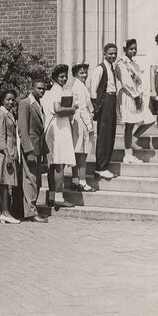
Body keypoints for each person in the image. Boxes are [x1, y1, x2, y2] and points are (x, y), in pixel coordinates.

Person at [41, 65, 76, 209]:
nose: (64, 78)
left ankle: (51, 196)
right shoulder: (56, 91)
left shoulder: (58, 90)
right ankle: (59, 197)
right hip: (58, 127)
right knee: (59, 163)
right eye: (61, 76)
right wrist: (72, 109)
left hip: (59, 126)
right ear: (55, 78)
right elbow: (57, 109)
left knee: (54, 163)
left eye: (65, 76)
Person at [115, 39, 155, 162]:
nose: (133, 51)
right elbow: (126, 82)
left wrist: (139, 94)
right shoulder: (122, 63)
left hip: (136, 94)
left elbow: (138, 80)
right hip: (129, 95)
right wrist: (134, 94)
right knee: (129, 124)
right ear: (125, 49)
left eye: (135, 49)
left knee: (149, 120)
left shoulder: (133, 63)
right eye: (131, 49)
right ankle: (128, 154)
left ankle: (134, 138)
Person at [16, 78, 50, 222]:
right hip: (30, 149)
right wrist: (28, 151)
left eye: (43, 89)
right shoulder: (25, 103)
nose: (41, 91)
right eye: (39, 88)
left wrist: (44, 152)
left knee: (36, 180)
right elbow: (23, 130)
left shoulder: (39, 104)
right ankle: (30, 212)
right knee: (30, 180)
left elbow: (41, 131)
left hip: (38, 148)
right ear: (32, 88)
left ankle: (32, 208)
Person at [88, 43, 119, 179]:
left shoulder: (112, 68)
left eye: (114, 53)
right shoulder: (100, 69)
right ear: (104, 54)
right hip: (104, 102)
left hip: (112, 100)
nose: (113, 56)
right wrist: (97, 108)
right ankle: (100, 167)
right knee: (104, 134)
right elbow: (93, 90)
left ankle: (104, 165)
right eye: (110, 53)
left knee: (111, 134)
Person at [0, 90, 20, 224]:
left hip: (10, 152)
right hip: (3, 153)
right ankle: (5, 212)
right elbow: (0, 137)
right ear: (2, 100)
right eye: (8, 99)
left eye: (12, 100)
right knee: (3, 184)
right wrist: (7, 155)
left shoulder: (9, 114)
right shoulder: (0, 114)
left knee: (5, 183)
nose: (10, 102)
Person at [69, 64, 95, 193]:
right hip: (81, 120)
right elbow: (83, 108)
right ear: (75, 74)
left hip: (78, 119)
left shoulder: (79, 85)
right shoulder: (79, 87)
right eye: (81, 73)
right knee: (82, 152)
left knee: (77, 151)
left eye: (85, 73)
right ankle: (82, 182)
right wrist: (89, 126)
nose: (84, 75)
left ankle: (75, 180)